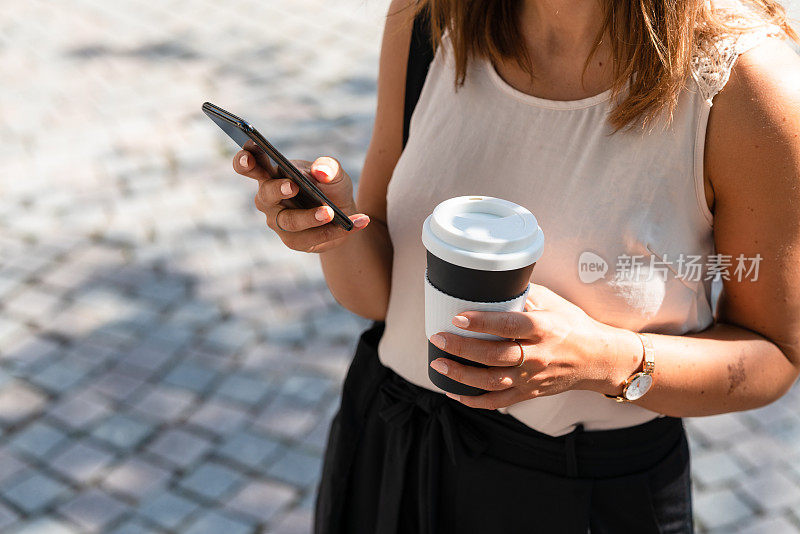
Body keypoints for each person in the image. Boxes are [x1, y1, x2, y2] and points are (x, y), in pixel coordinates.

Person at [231, 0, 800, 532]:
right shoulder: (432, 19)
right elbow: (383, 300)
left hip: (583, 491)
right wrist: (338, 230)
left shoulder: (745, 84)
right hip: (392, 442)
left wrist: (605, 361)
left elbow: (775, 357)